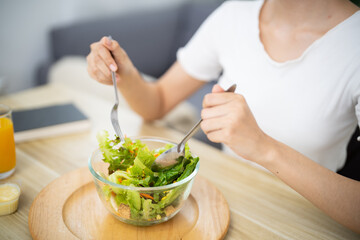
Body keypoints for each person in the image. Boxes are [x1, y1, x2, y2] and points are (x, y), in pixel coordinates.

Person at [87, 0, 360, 233]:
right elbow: (156, 103)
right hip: (225, 204)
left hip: (304, 225)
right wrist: (123, 72)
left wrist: (263, 147)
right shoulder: (234, 15)